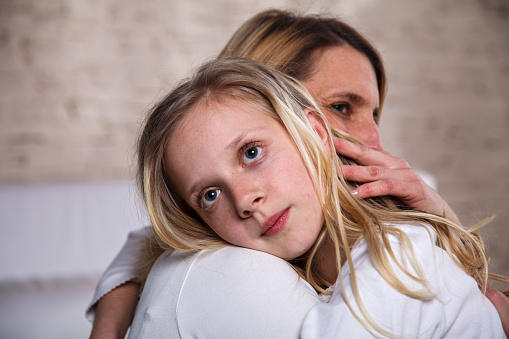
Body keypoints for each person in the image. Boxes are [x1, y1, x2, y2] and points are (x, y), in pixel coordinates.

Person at [87, 9, 509, 338]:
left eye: (375, 113)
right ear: (285, 106)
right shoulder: (236, 232)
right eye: (343, 107)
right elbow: (152, 238)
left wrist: (441, 218)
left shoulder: (395, 219)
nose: (374, 140)